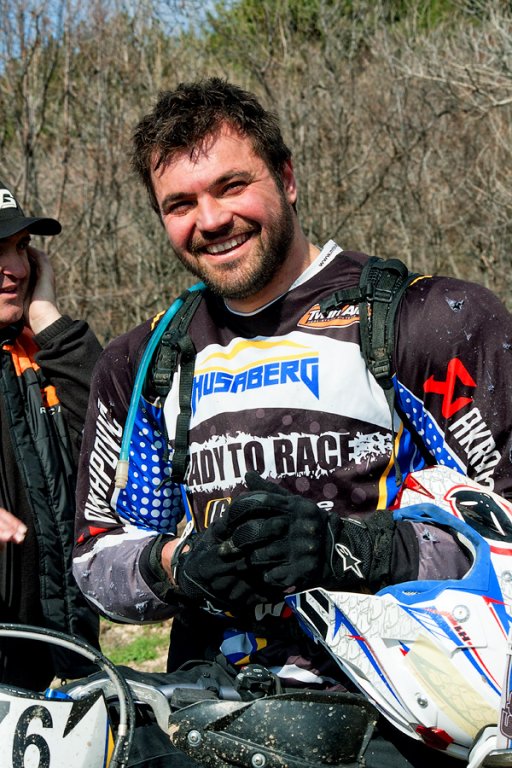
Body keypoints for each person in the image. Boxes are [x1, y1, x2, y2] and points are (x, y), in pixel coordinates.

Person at [73, 79, 512, 767]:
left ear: (286, 177)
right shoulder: (143, 361)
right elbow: (97, 559)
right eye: (180, 204)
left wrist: (357, 550)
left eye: (232, 186)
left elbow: (504, 528)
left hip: (400, 721)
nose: (210, 219)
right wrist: (180, 564)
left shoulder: (428, 320)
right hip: (212, 719)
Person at [0, 180, 102, 691]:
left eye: (20, 248)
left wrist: (47, 318)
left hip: (66, 659)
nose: (16, 269)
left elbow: (117, 442)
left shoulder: (42, 353)